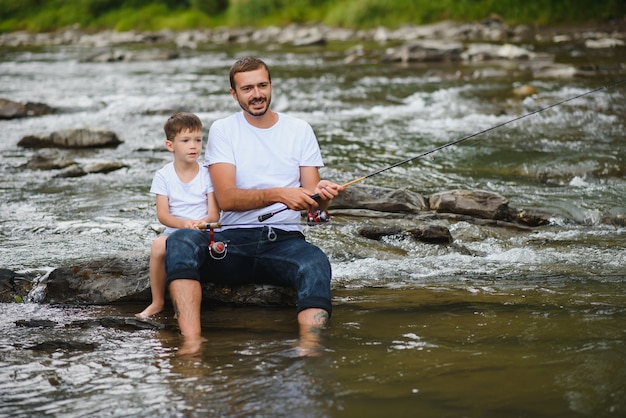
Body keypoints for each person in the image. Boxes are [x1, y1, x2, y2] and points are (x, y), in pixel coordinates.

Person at [164, 56, 343, 354]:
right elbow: (227, 199)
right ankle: (192, 343)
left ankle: (310, 348)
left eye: (262, 85)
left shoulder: (300, 130)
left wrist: (322, 199)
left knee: (315, 263)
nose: (257, 94)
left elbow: (315, 213)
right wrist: (280, 194)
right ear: (234, 94)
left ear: (271, 86)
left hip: (285, 243)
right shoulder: (224, 130)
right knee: (180, 240)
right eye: (247, 88)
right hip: (233, 243)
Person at [136, 112, 220, 319]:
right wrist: (183, 223)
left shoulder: (207, 173)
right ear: (170, 145)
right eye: (185, 140)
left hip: (203, 232)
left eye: (198, 140)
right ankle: (157, 302)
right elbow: (163, 215)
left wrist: (202, 222)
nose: (194, 146)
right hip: (176, 231)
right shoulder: (164, 175)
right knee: (157, 246)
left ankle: (183, 306)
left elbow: (214, 213)